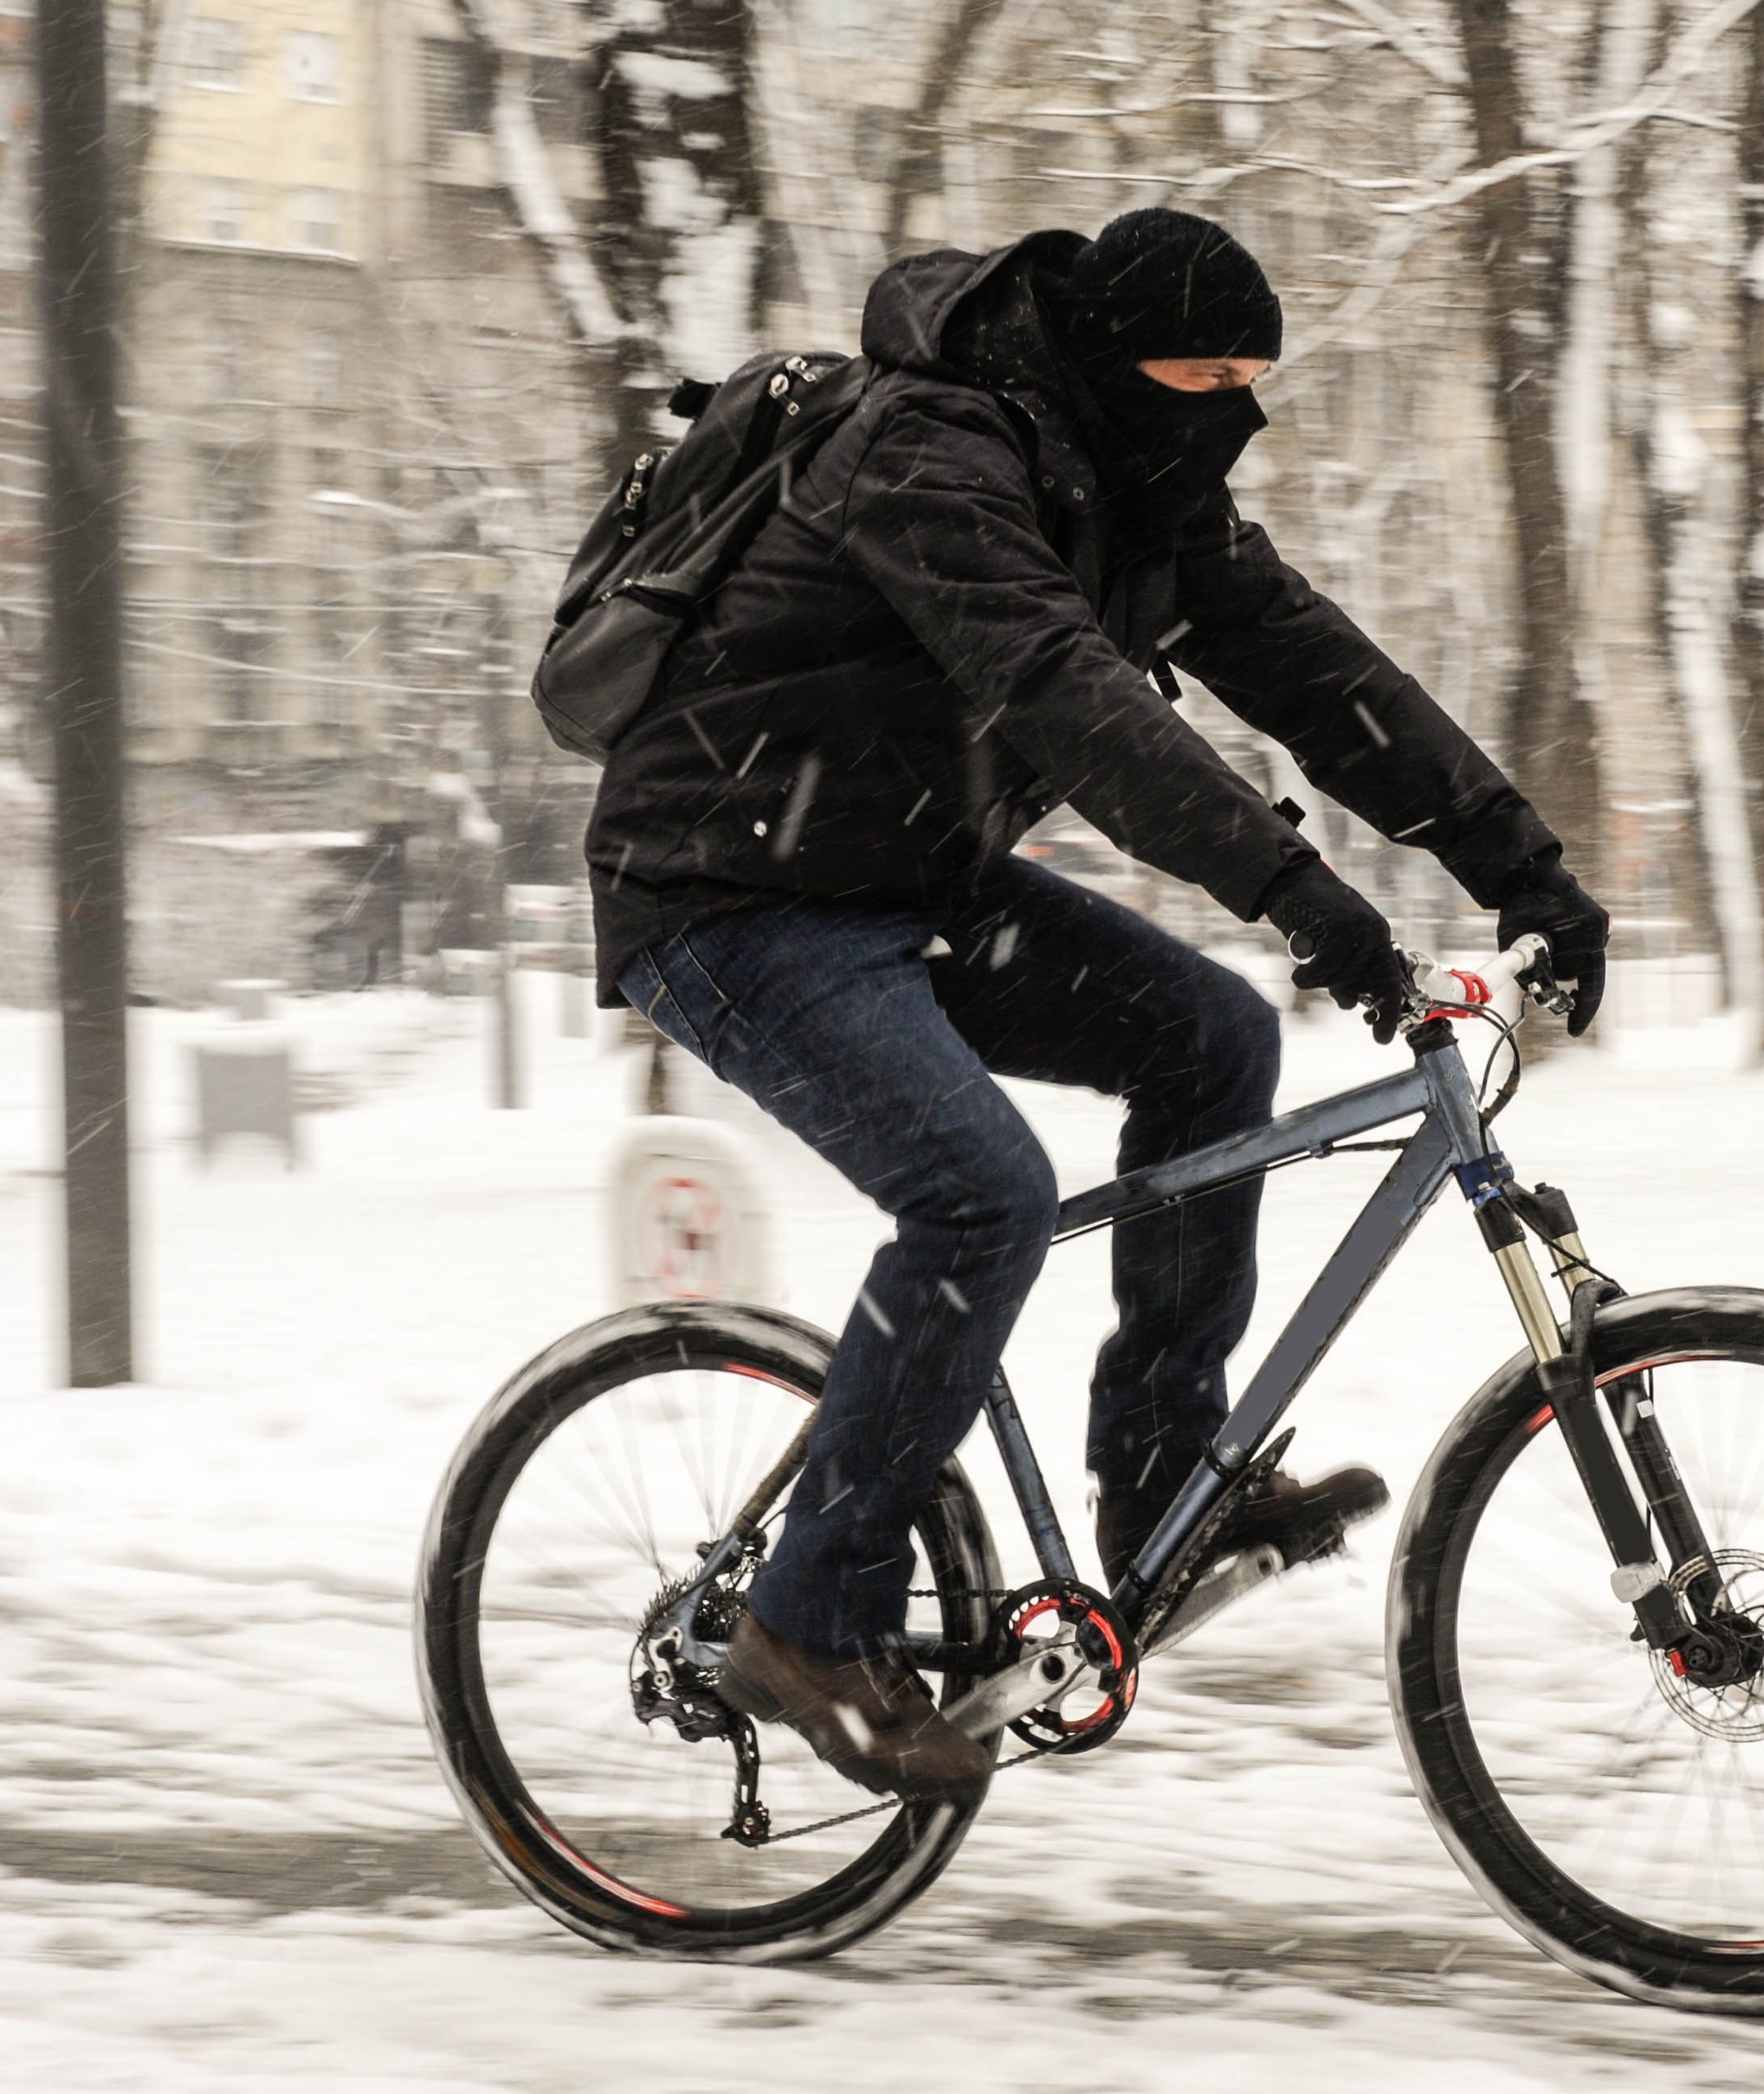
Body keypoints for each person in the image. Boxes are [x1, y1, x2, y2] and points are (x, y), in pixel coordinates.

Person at [586, 210, 1609, 1804]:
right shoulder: (929, 454)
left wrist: (1518, 859)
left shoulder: (1149, 492)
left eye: (1250, 382)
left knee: (1209, 1037)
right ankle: (810, 1616)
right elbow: (1069, 692)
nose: (1230, 413)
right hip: (727, 889)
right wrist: (1300, 894)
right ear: (1115, 362)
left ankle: (1154, 1475)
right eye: (1205, 376)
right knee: (980, 1194)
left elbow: (1323, 677)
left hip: (905, 880)